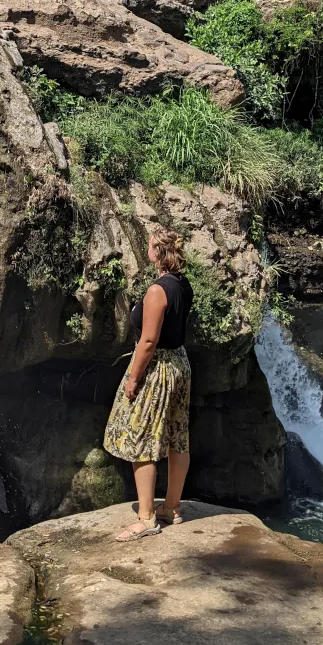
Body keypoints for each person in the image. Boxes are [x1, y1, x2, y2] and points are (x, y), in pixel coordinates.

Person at [103, 226, 193, 541]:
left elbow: (148, 340)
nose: (148, 251)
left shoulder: (157, 290)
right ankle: (172, 508)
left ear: (158, 252)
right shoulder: (183, 284)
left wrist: (133, 377)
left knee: (142, 436)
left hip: (158, 368)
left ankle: (146, 517)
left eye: (151, 247)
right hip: (180, 364)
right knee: (176, 436)